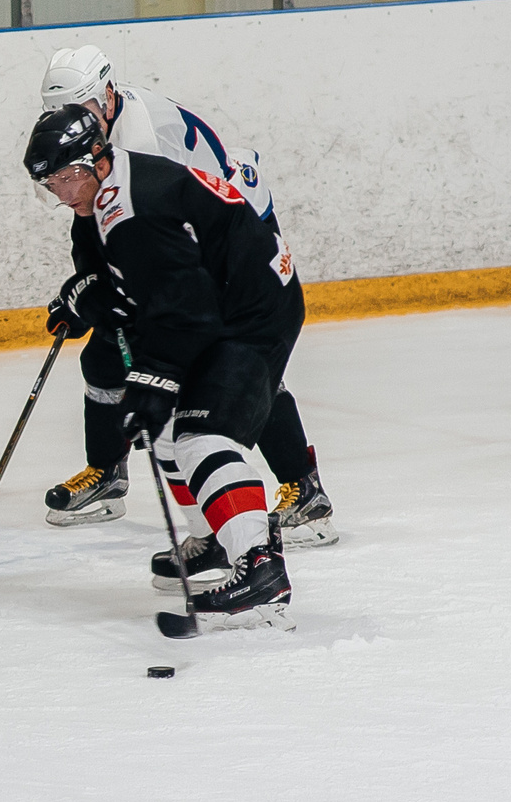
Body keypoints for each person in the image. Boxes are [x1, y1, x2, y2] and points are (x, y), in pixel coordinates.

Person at [33, 45, 336, 546]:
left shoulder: (144, 140)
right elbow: (93, 219)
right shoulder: (86, 140)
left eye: (85, 107)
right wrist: (91, 288)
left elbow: (169, 251)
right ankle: (107, 471)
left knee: (230, 370)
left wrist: (117, 302)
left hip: (232, 239)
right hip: (186, 240)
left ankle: (301, 488)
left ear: (107, 97)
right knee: (106, 357)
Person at [24, 104, 303, 625]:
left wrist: (154, 381)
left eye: (61, 178)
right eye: (49, 182)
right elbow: (121, 279)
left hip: (252, 310)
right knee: (172, 433)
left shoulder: (135, 211)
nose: (56, 192)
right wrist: (83, 295)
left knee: (203, 436)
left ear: (91, 163)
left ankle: (260, 571)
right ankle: (219, 540)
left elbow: (186, 312)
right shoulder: (102, 200)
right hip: (224, 301)